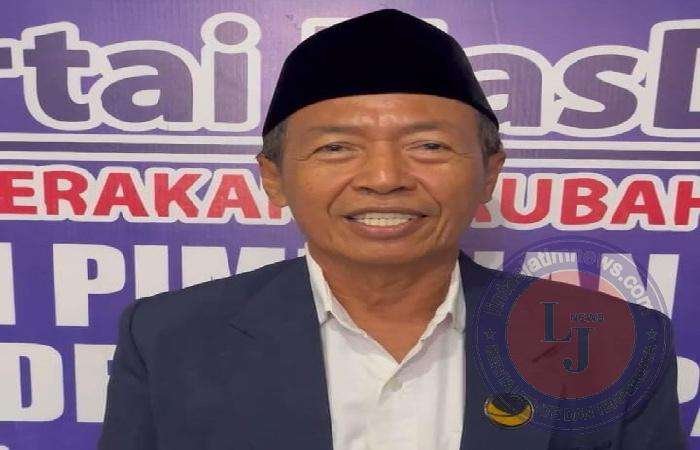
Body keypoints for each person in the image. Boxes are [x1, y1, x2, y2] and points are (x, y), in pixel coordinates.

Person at [98, 8, 685, 450]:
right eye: (336, 147)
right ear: (274, 178)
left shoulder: (612, 345)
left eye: (428, 146)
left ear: (489, 173)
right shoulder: (169, 339)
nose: (384, 179)